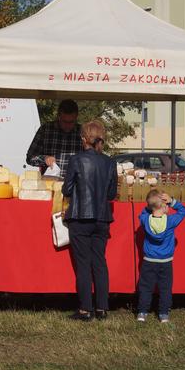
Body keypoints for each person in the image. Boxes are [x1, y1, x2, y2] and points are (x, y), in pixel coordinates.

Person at [62, 120, 117, 321]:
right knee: (100, 263)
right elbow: (112, 193)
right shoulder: (110, 162)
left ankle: (86, 309)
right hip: (102, 218)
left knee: (84, 264)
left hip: (80, 217)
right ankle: (102, 308)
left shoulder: (76, 160)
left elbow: (66, 189)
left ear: (83, 139)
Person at [136, 190, 185, 323]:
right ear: (164, 207)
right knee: (165, 289)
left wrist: (150, 206)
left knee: (146, 288)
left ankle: (142, 312)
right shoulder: (170, 221)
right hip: (165, 262)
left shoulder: (145, 220)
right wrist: (172, 201)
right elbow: (183, 211)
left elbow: (143, 213)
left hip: (149, 261)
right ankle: (164, 314)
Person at [26, 99, 83, 178]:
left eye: (71, 122)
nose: (67, 125)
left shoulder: (82, 133)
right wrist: (45, 158)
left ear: (76, 117)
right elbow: (30, 157)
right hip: (50, 185)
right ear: (58, 116)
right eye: (64, 121)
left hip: (75, 185)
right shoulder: (45, 130)